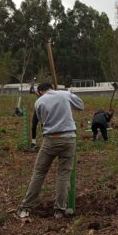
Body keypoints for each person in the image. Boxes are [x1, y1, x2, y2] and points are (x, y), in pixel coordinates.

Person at [18, 82, 84, 219]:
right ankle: (60, 210)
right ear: (52, 88)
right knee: (63, 175)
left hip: (51, 139)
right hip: (69, 139)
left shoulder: (39, 102)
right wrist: (67, 94)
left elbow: (42, 122)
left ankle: (26, 207)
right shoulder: (65, 94)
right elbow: (80, 106)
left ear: (40, 91)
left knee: (39, 172)